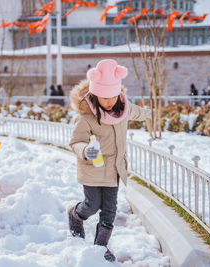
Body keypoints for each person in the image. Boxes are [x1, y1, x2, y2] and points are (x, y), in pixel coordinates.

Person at [68, 59, 150, 262]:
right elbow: (76, 142)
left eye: (113, 96)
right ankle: (75, 215)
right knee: (92, 205)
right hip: (93, 170)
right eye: (105, 98)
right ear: (95, 95)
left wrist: (147, 114)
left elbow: (135, 112)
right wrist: (85, 150)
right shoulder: (86, 118)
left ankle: (100, 246)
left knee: (110, 210)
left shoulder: (122, 109)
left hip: (114, 170)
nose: (110, 101)